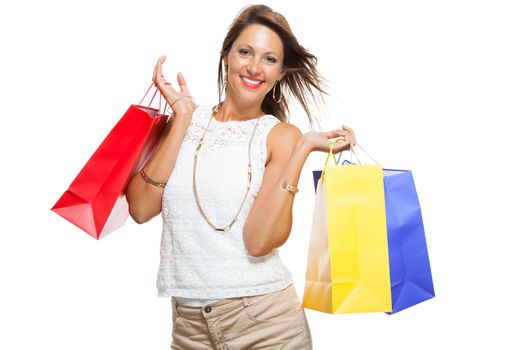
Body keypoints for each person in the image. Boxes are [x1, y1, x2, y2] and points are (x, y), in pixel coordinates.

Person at [126, 4, 356, 350]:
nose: (254, 67)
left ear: (281, 73)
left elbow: (260, 241)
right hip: (188, 329)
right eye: (245, 52)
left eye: (269, 59)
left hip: (266, 326)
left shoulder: (281, 136)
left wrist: (303, 147)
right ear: (226, 57)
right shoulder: (184, 121)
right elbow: (141, 209)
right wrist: (183, 119)